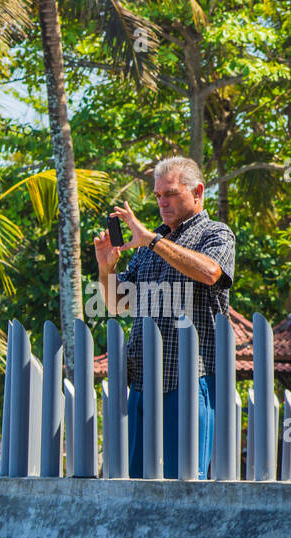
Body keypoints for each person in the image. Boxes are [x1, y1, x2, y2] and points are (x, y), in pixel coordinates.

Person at [94, 155, 236, 479]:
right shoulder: (148, 244)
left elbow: (211, 272)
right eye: (158, 195)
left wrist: (152, 240)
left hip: (190, 379)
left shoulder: (216, 234)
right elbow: (118, 304)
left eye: (170, 193)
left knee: (185, 485)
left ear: (197, 192)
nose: (162, 202)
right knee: (136, 486)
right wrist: (106, 268)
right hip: (142, 381)